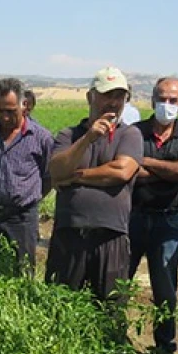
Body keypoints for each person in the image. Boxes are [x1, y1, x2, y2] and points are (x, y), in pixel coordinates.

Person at [46, 67, 143, 305]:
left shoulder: (130, 135)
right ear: (90, 97)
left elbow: (121, 171)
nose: (113, 102)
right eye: (107, 95)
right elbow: (57, 170)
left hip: (110, 237)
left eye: (120, 96)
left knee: (109, 309)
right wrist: (88, 137)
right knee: (62, 307)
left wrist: (76, 176)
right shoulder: (69, 135)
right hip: (69, 234)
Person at [129, 77, 178, 354]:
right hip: (133, 216)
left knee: (166, 291)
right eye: (161, 98)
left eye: (172, 100)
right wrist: (167, 170)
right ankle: (111, 337)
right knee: (120, 282)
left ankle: (165, 349)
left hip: (168, 220)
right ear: (151, 100)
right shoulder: (135, 132)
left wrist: (144, 161)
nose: (166, 105)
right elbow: (128, 172)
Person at [0, 78, 54, 274]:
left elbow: (49, 176)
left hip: (22, 218)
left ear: (23, 105)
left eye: (10, 111)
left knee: (22, 272)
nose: (4, 117)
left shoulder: (40, 138)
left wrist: (29, 198)